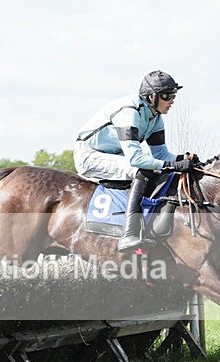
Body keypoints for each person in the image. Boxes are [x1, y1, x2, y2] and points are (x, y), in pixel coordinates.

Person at [74, 70, 201, 252]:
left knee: (155, 169)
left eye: (173, 95)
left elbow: (161, 155)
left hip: (115, 155)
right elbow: (135, 158)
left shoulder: (156, 117)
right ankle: (129, 233)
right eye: (167, 96)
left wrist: (182, 159)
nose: (172, 101)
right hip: (89, 155)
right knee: (142, 170)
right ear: (151, 97)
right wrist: (172, 165)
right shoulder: (129, 112)